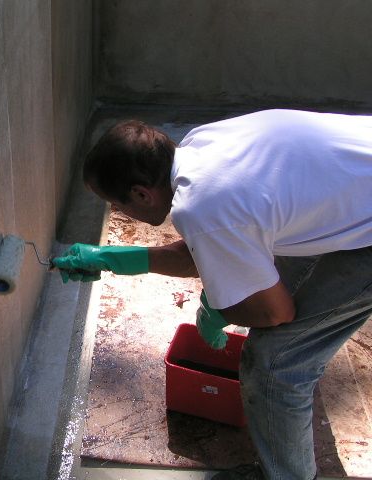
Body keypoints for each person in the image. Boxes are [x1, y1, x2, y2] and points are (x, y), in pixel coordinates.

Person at [53, 109, 372, 480]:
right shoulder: (199, 145)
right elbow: (210, 244)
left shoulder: (202, 206)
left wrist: (222, 307)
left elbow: (275, 312)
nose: (118, 211)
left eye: (118, 204)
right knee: (275, 275)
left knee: (276, 363)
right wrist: (110, 258)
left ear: (142, 193)